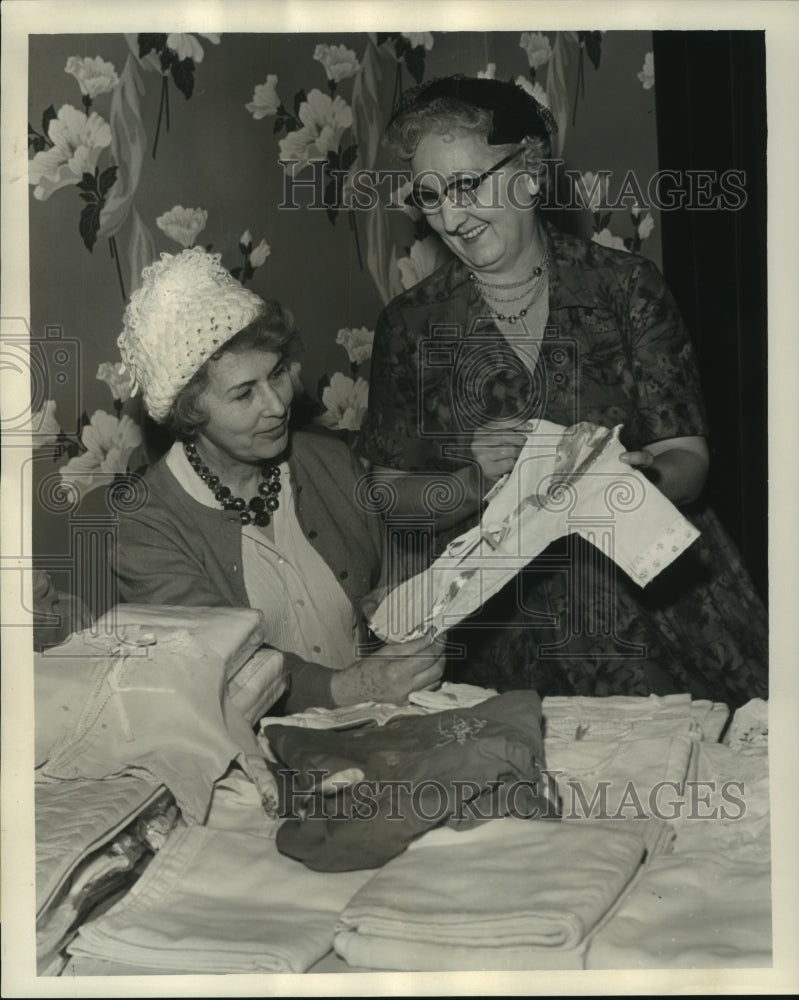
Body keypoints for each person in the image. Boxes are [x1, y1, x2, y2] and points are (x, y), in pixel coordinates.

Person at [357, 75, 767, 707]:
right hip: (504, 624)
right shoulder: (410, 325)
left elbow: (689, 457)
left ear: (529, 171)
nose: (452, 216)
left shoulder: (625, 287)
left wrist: (635, 477)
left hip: (655, 598)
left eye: (469, 185)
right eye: (430, 194)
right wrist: (474, 483)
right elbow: (389, 496)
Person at [113, 247, 444, 717]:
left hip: (378, 730)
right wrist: (353, 686)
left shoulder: (329, 461)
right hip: (248, 757)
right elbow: (223, 665)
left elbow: (398, 568)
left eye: (277, 375)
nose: (277, 405)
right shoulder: (147, 526)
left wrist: (404, 603)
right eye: (245, 393)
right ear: (191, 412)